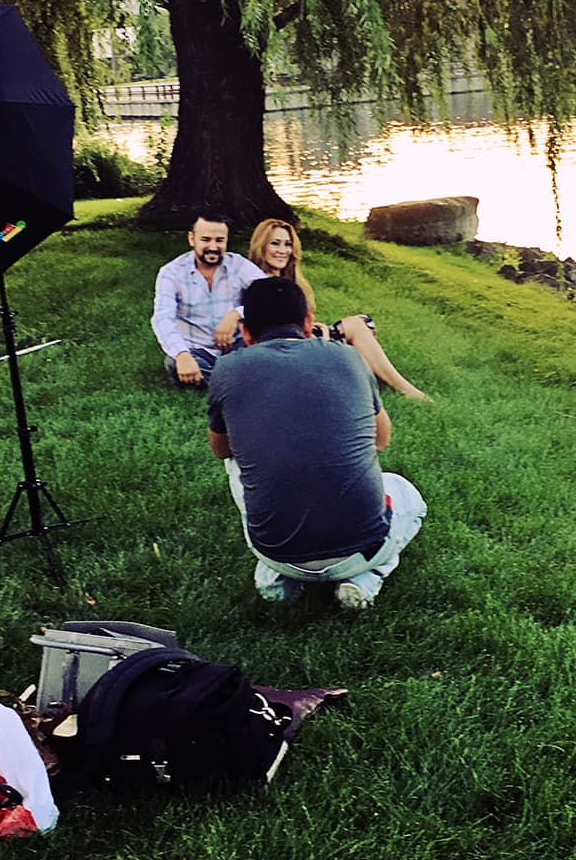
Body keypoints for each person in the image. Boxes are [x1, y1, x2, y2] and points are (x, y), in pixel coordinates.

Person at [207, 277, 427, 610]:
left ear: (247, 332)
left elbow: (220, 450)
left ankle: (276, 581)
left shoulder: (226, 369)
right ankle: (366, 580)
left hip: (276, 552)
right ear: (309, 323)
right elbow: (382, 439)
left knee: (236, 456)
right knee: (407, 495)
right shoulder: (349, 358)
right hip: (362, 550)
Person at [247, 218, 429, 400]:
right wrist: (322, 339)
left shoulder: (292, 279)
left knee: (363, 323)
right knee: (356, 327)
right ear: (261, 246)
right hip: (289, 350)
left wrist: (319, 330)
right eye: (275, 244)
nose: (283, 251)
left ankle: (368, 382)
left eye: (287, 244)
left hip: (306, 338)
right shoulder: (258, 284)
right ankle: (403, 389)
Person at [150, 211, 266, 389]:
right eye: (206, 239)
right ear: (192, 239)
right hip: (198, 350)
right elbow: (162, 318)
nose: (213, 246)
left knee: (267, 345)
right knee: (174, 363)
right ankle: (249, 380)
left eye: (219, 240)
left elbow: (272, 296)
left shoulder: (238, 264)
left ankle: (228, 381)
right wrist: (182, 355)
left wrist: (236, 314)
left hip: (238, 346)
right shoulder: (171, 273)